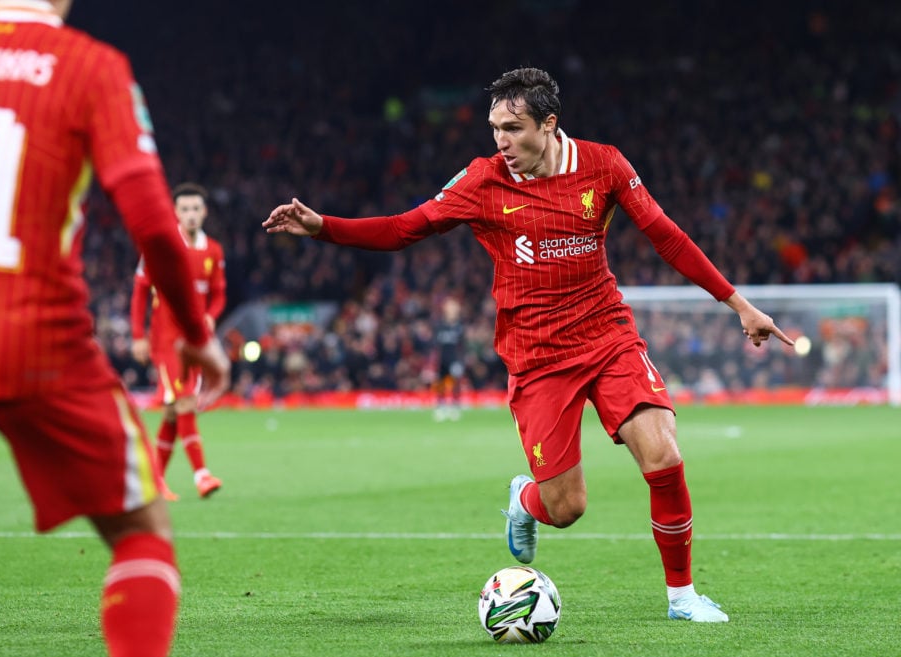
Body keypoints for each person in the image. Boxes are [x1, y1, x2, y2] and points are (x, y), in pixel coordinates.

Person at [264, 66, 794, 623]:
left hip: (606, 333)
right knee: (565, 509)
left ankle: (682, 597)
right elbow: (404, 228)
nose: (501, 141)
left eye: (514, 128)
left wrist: (737, 302)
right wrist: (324, 226)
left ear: (549, 123)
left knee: (663, 455)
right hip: (537, 356)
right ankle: (524, 500)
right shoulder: (481, 180)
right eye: (494, 127)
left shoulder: (604, 164)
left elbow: (665, 234)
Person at [0, 1, 231, 657]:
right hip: (38, 341)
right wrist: (194, 331)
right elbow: (152, 219)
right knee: (139, 530)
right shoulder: (92, 68)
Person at [131, 182, 227, 499]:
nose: (190, 214)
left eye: (195, 208)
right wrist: (137, 335)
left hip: (195, 341)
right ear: (175, 212)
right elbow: (141, 290)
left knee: (174, 412)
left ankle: (154, 482)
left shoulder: (213, 250)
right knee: (186, 401)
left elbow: (219, 294)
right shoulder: (161, 245)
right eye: (184, 209)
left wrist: (211, 315)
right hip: (166, 340)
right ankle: (201, 475)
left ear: (204, 212)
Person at [431, 296, 465, 422]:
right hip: (442, 359)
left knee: (455, 383)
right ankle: (441, 406)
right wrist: (432, 361)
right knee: (440, 383)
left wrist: (461, 361)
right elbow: (435, 345)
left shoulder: (459, 326)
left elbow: (462, 345)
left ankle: (455, 407)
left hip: (454, 359)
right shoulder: (439, 325)